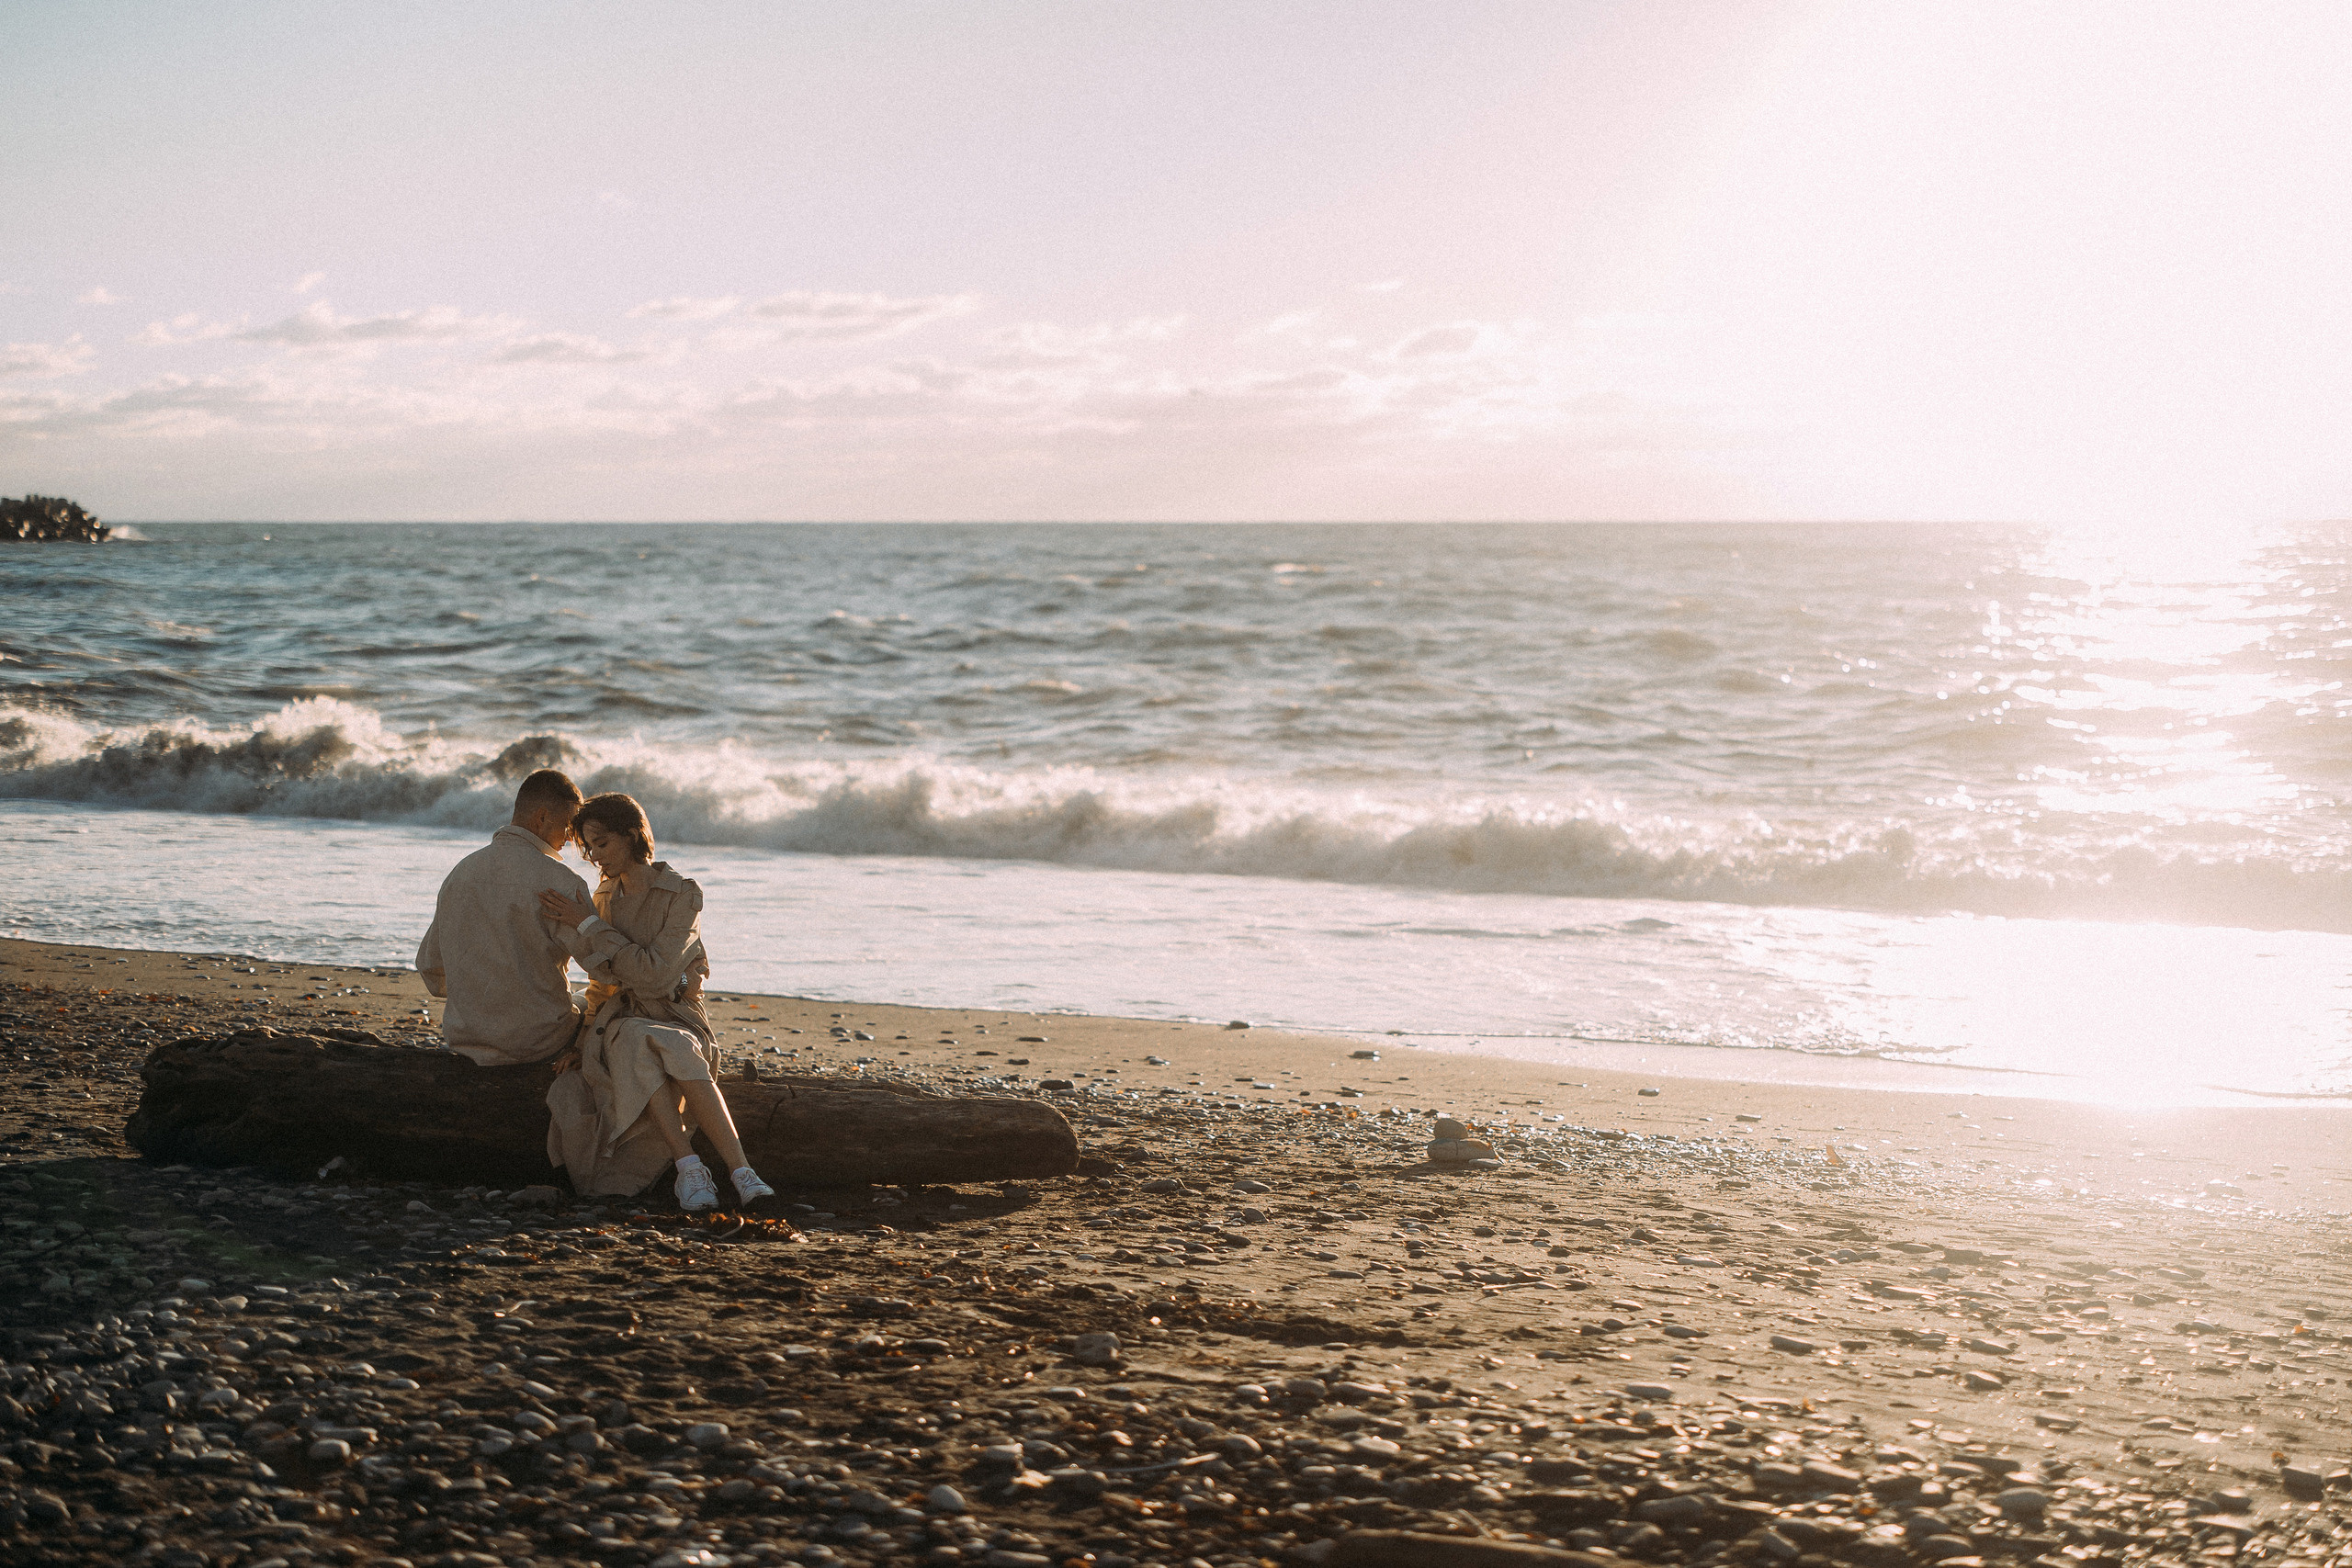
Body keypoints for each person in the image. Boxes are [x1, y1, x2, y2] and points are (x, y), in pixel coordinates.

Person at [537, 791, 775, 1212]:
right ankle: (704, 1169)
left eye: (603, 843)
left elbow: (655, 974)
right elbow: (602, 982)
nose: (596, 856)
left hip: (677, 1015)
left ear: (633, 836)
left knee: (668, 1043)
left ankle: (734, 1173)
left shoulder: (682, 894)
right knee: (636, 1037)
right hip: (619, 1018)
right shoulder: (603, 897)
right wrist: (581, 1041)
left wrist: (592, 928)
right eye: (589, 847)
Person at [416, 769, 594, 1066]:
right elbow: (601, 964)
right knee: (595, 995)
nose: (572, 838)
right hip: (537, 1042)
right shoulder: (562, 882)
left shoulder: (461, 873)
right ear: (541, 817)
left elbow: (431, 968)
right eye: (567, 826)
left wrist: (483, 993)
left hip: (466, 1039)